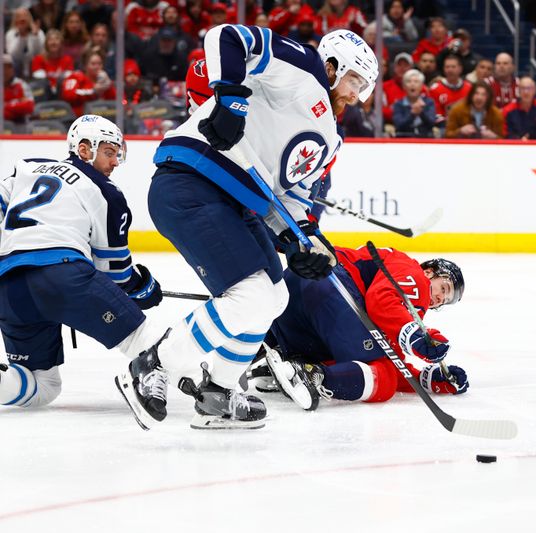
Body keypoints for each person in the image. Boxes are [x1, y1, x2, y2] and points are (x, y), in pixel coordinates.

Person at [115, 26, 379, 431]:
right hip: (193, 179)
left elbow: (291, 200)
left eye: (364, 88)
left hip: (236, 203)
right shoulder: (305, 66)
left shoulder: (328, 138)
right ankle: (153, 365)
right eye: (354, 81)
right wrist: (231, 98)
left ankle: (216, 394)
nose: (355, 96)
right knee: (252, 294)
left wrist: (303, 242)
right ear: (332, 66)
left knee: (274, 296)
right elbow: (227, 37)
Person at [0, 115, 164, 409]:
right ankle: (217, 388)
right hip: (63, 276)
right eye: (109, 152)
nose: (115, 162)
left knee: (42, 386)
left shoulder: (27, 167)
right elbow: (115, 273)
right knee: (143, 338)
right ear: (85, 149)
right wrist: (144, 288)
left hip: (7, 285)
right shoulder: (105, 192)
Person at [251, 246, 468, 407]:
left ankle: (275, 363)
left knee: (379, 364)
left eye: (445, 300)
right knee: (384, 379)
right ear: (429, 272)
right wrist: (418, 336)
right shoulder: (414, 276)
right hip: (330, 290)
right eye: (443, 288)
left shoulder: (402, 310)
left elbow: (389, 357)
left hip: (293, 295)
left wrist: (424, 379)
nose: (440, 298)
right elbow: (380, 300)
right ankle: (310, 375)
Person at [502, 76, 536, 140]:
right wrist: (519, 140)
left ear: (535, 90)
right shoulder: (507, 111)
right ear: (518, 91)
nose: (526, 92)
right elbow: (506, 134)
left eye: (529, 88)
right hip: (514, 147)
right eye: (522, 88)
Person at [393, 68, 437, 138]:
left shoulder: (429, 102)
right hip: (404, 140)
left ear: (421, 86)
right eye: (409, 81)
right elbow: (398, 125)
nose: (412, 84)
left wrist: (421, 113)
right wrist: (412, 114)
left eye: (416, 81)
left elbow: (432, 123)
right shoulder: (399, 104)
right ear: (404, 86)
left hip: (425, 140)